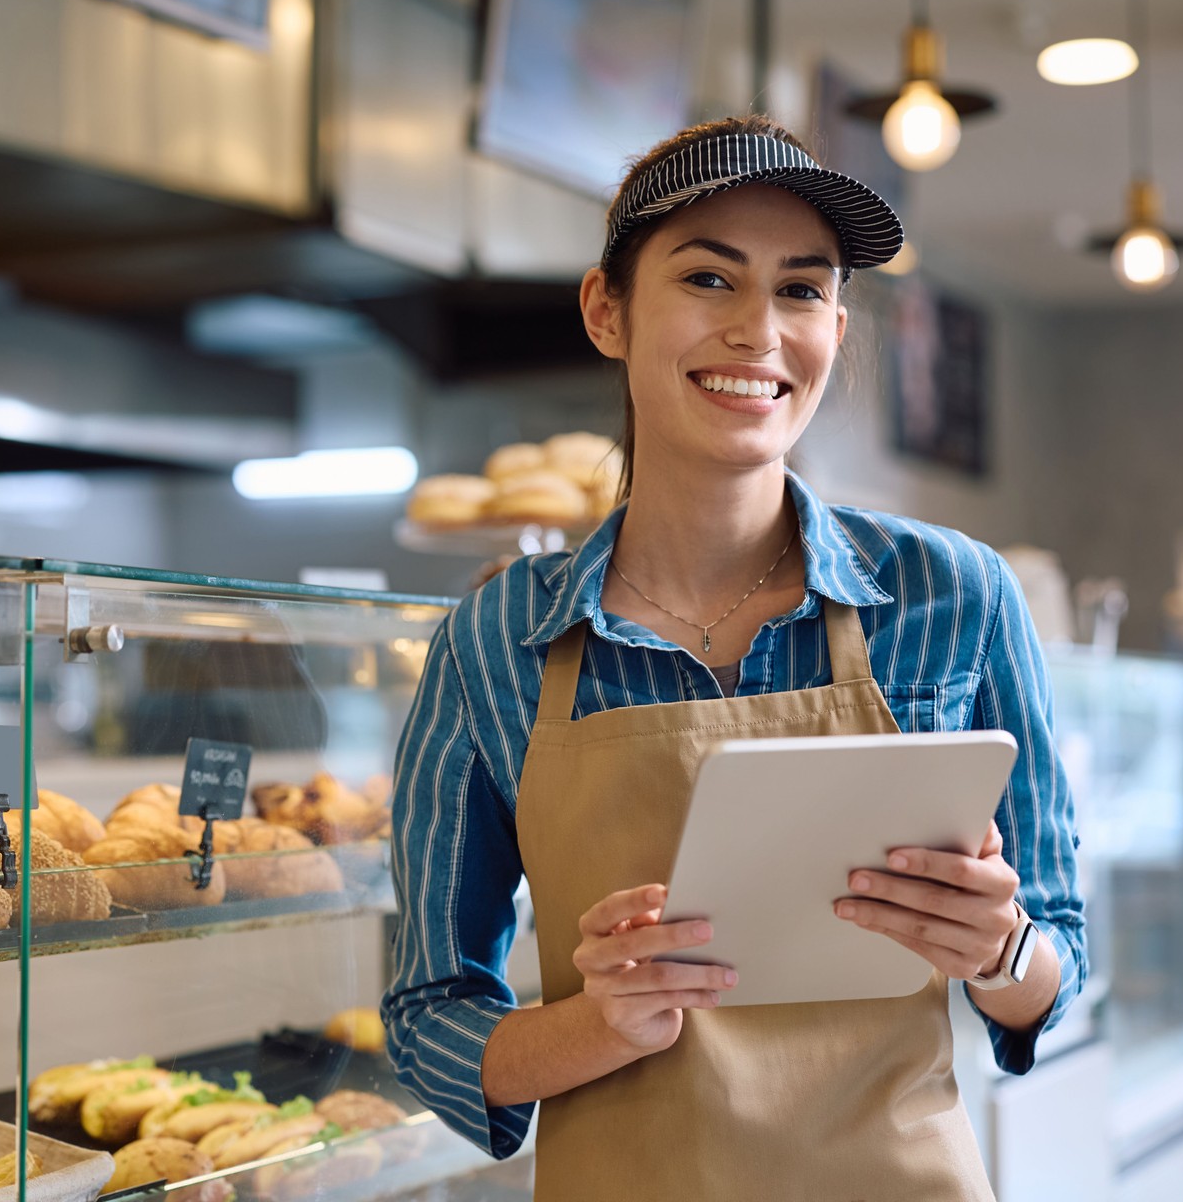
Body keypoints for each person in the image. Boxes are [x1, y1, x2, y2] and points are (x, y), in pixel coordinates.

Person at [383, 115, 1086, 1200]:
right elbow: (430, 1012)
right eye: (710, 278)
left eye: (802, 290)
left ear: (838, 326)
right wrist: (590, 1025)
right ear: (606, 310)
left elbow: (1055, 966)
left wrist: (999, 949)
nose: (760, 329)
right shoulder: (496, 639)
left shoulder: (954, 595)